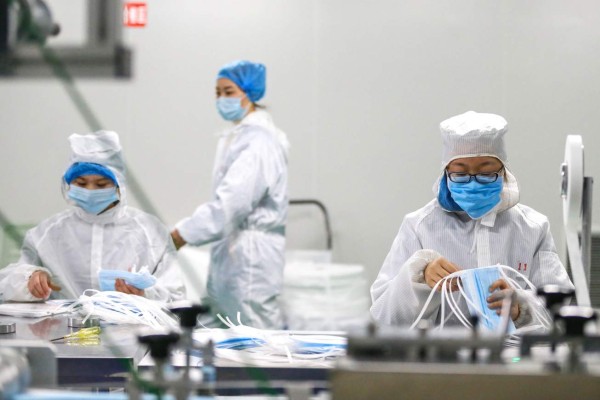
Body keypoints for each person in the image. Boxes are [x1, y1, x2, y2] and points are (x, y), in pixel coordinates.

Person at [370, 111, 574, 329]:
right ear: (445, 173)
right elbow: (384, 318)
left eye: (486, 173)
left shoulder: (533, 228)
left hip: (511, 357)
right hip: (442, 358)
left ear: (504, 172)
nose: (473, 184)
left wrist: (521, 307)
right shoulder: (419, 227)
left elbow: (559, 310)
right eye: (460, 174)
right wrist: (419, 278)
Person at [171, 60, 290, 329]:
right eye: (218, 93)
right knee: (220, 327)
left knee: (252, 336)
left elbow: (230, 204)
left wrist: (181, 234)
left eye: (229, 92)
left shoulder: (259, 141)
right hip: (233, 253)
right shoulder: (242, 136)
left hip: (250, 260)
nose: (221, 99)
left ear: (250, 93)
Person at [0, 130, 186, 303]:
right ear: (68, 184)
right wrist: (29, 280)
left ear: (119, 185)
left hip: (133, 332)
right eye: (80, 183)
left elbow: (175, 294)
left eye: (101, 184)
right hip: (64, 332)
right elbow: (7, 283)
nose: (89, 191)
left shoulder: (150, 231)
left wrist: (144, 295)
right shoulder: (47, 233)